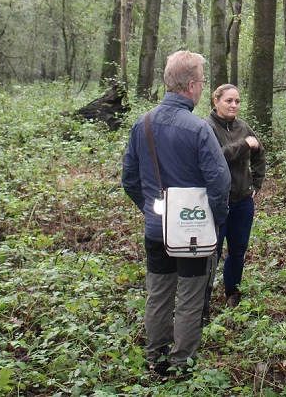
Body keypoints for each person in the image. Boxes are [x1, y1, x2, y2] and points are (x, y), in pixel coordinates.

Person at [121, 50, 231, 377]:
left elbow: (129, 178)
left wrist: (152, 211)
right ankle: (182, 364)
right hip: (193, 233)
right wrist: (215, 217)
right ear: (192, 85)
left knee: (158, 294)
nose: (201, 89)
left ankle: (156, 357)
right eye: (201, 83)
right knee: (191, 297)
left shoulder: (142, 124)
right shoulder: (199, 129)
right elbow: (220, 181)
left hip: (156, 230)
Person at [204, 84, 266, 308]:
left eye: (237, 101)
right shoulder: (206, 127)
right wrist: (242, 145)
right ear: (216, 101)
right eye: (229, 101)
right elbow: (215, 157)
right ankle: (204, 296)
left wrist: (256, 183)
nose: (234, 105)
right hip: (217, 202)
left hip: (242, 200)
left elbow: (259, 153)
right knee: (212, 251)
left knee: (238, 250)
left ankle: (233, 292)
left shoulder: (243, 127)